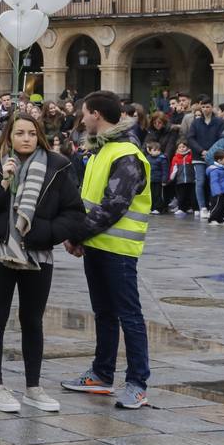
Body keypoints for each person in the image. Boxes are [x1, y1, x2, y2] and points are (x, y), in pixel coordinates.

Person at [0, 114, 85, 414]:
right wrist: (4, 182)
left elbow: (74, 212)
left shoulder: (57, 167)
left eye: (31, 133)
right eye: (19, 133)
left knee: (32, 320)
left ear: (39, 136)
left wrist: (46, 232)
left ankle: (33, 387)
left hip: (38, 254)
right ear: (8, 136)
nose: (25, 138)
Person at [61, 91, 153, 410]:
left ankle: (137, 383)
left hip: (118, 248)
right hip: (98, 245)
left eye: (84, 113)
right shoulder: (102, 150)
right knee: (104, 313)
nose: (82, 118)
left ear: (97, 114)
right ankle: (102, 374)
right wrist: (81, 236)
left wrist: (76, 235)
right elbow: (88, 202)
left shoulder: (125, 154)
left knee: (129, 314)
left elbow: (113, 206)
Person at [185, 97, 224, 218]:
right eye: (203, 107)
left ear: (212, 107)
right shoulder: (196, 122)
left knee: (213, 182)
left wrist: (211, 152)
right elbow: (190, 138)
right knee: (200, 181)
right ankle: (202, 207)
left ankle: (214, 207)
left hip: (214, 157)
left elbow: (221, 138)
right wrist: (201, 150)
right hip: (199, 156)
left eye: (208, 107)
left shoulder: (219, 122)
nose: (205, 109)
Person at [206, 152, 224, 225]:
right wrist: (217, 191)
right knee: (216, 205)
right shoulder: (214, 170)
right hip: (217, 193)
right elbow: (214, 182)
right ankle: (212, 219)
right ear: (219, 160)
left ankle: (220, 218)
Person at [168, 140, 195, 215]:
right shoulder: (175, 158)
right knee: (181, 196)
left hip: (191, 180)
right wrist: (171, 177)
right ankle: (181, 208)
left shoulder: (190, 156)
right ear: (177, 149)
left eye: (183, 147)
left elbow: (195, 167)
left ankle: (189, 207)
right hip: (180, 180)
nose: (182, 148)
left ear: (187, 147)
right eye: (180, 147)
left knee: (190, 195)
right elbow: (173, 168)